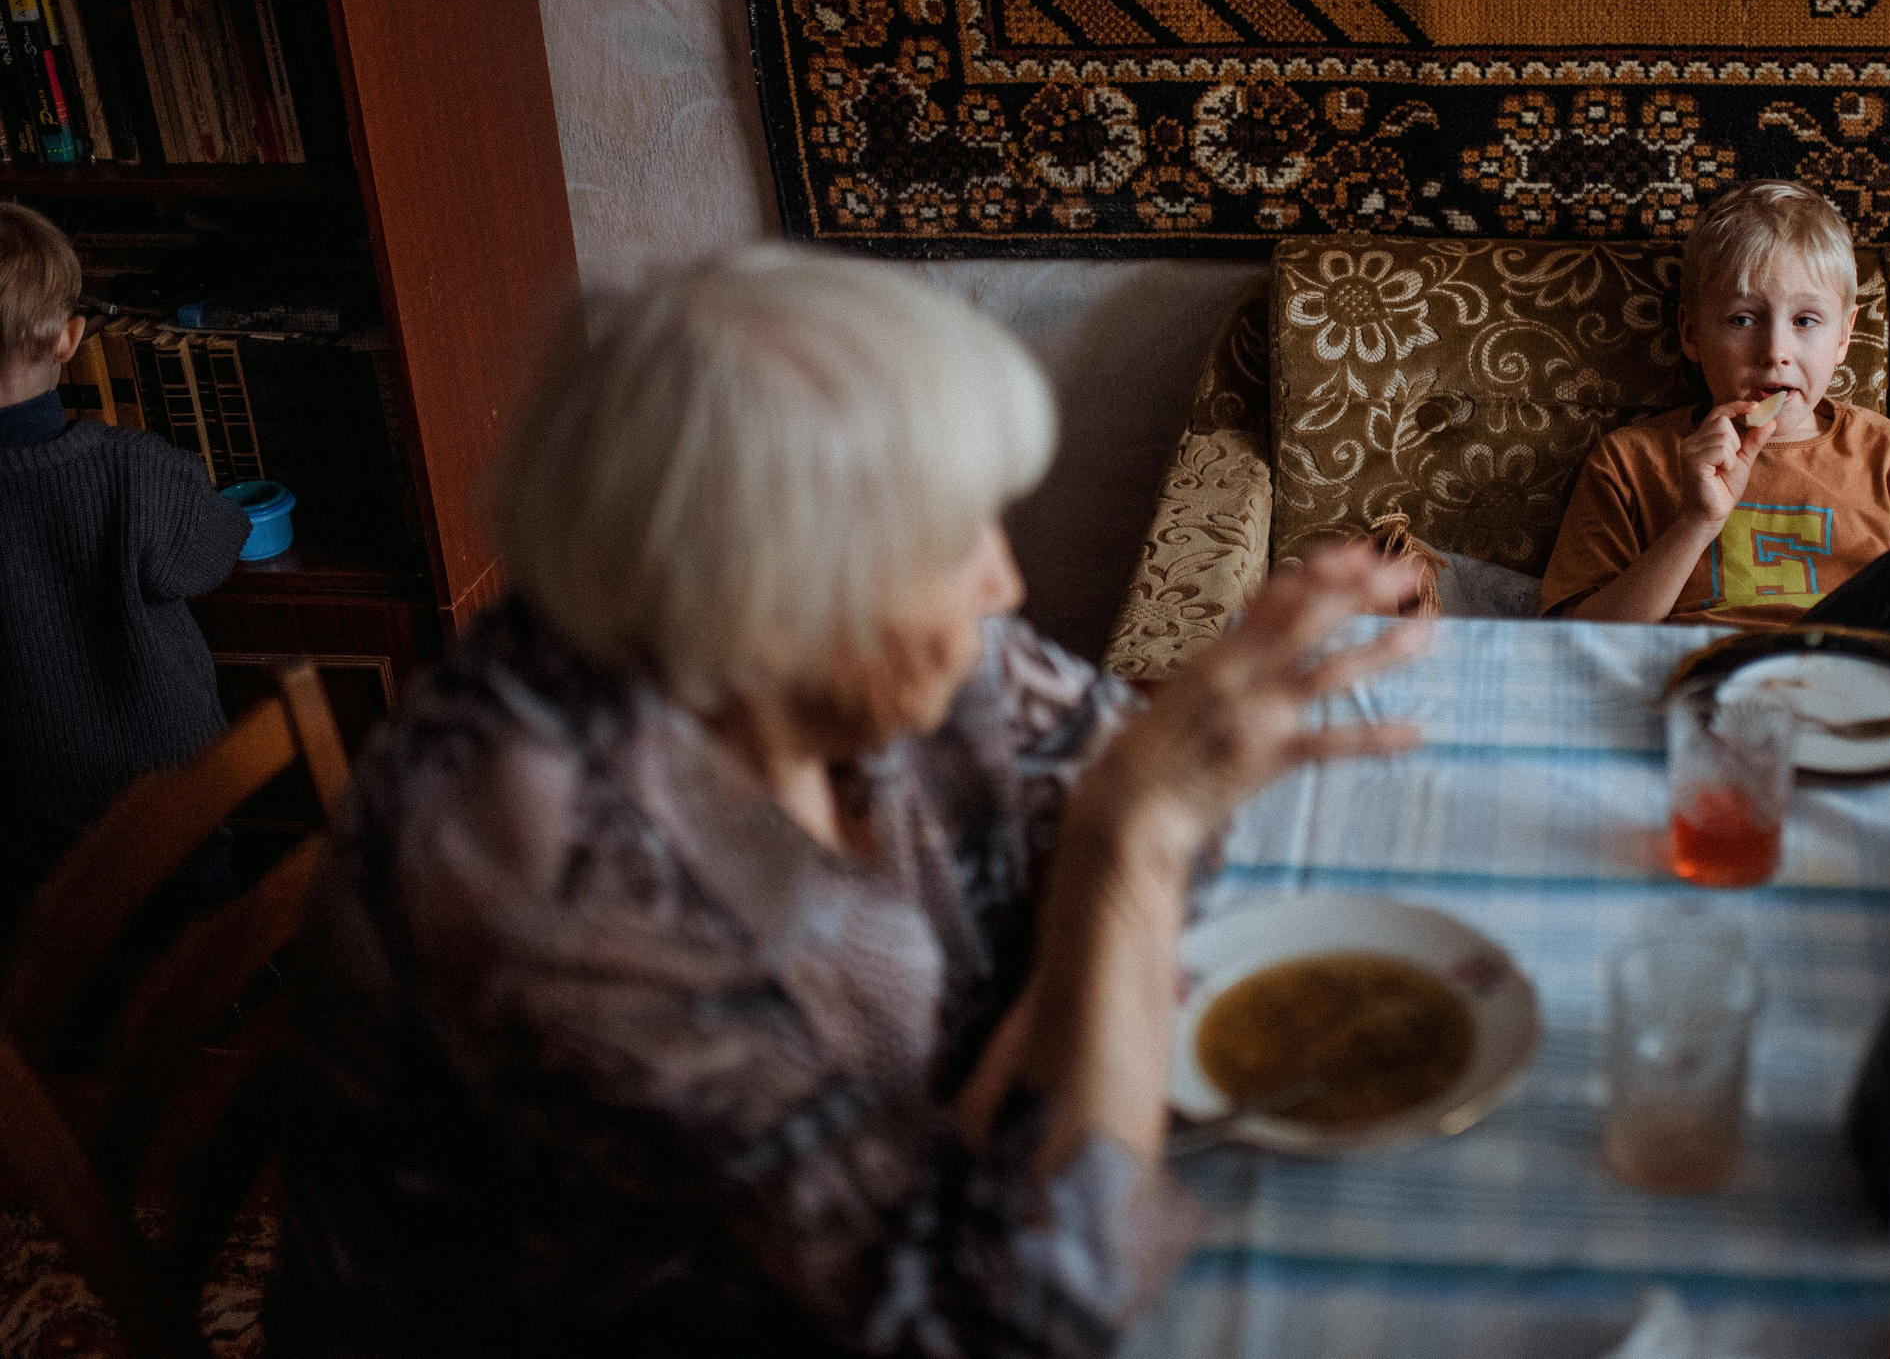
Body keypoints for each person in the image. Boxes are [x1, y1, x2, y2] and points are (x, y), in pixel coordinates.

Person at [271, 247, 1429, 1359]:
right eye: (950, 540)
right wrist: (1118, 864)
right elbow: (1016, 1320)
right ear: (771, 602)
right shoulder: (541, 862)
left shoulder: (851, 647)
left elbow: (1153, 786)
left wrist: (1091, 914)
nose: (1005, 583)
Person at [1539, 180, 1890, 635]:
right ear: (1691, 333)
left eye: (1806, 321)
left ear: (1843, 336)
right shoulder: (1630, 461)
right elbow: (1572, 644)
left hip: (1846, 681)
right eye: (1742, 319)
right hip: (1698, 680)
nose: (1775, 351)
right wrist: (1695, 522)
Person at [0, 201, 247, 941]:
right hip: (174, 808)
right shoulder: (130, 468)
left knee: (60, 972)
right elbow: (218, 543)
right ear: (70, 338)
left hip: (25, 834)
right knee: (187, 947)